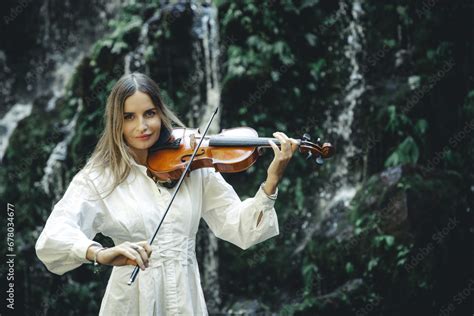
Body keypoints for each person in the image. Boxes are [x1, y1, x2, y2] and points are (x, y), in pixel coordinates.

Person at [35, 73, 298, 315]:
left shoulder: (192, 161)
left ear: (160, 113)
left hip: (187, 301)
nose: (142, 126)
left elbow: (240, 226)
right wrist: (99, 253)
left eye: (149, 113)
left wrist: (272, 180)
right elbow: (53, 237)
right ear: (116, 122)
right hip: (131, 303)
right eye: (129, 117)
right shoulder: (99, 177)